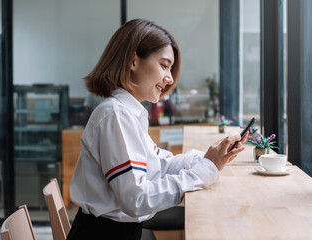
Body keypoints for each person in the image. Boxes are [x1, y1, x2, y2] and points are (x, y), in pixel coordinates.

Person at [67, 19, 247, 240]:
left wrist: (208, 159)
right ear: (133, 61)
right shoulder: (116, 115)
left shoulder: (128, 113)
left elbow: (160, 165)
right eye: (164, 65)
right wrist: (203, 171)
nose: (169, 78)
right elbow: (137, 199)